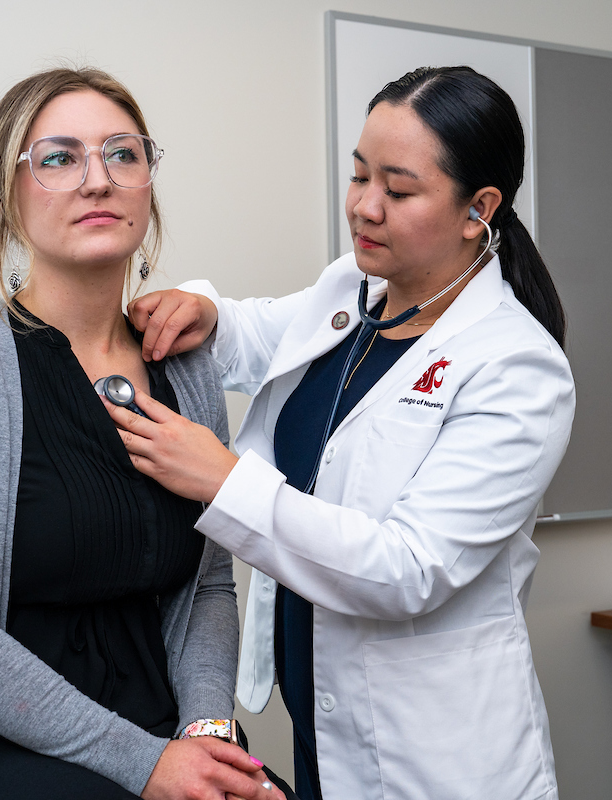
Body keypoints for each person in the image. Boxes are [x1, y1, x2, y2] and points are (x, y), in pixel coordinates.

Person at [105, 66, 576, 800]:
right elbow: (256, 330)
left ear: (477, 209)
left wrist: (221, 479)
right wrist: (204, 310)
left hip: (435, 761)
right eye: (358, 176)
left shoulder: (518, 367)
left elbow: (409, 569)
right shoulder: (350, 289)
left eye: (399, 188)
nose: (364, 207)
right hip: (320, 724)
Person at [0, 67, 284, 800]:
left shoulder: (186, 365)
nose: (98, 180)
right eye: (58, 157)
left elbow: (208, 582)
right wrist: (144, 766)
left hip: (163, 724)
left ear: (147, 184)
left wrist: (208, 732)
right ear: (9, 199)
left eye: (123, 153)